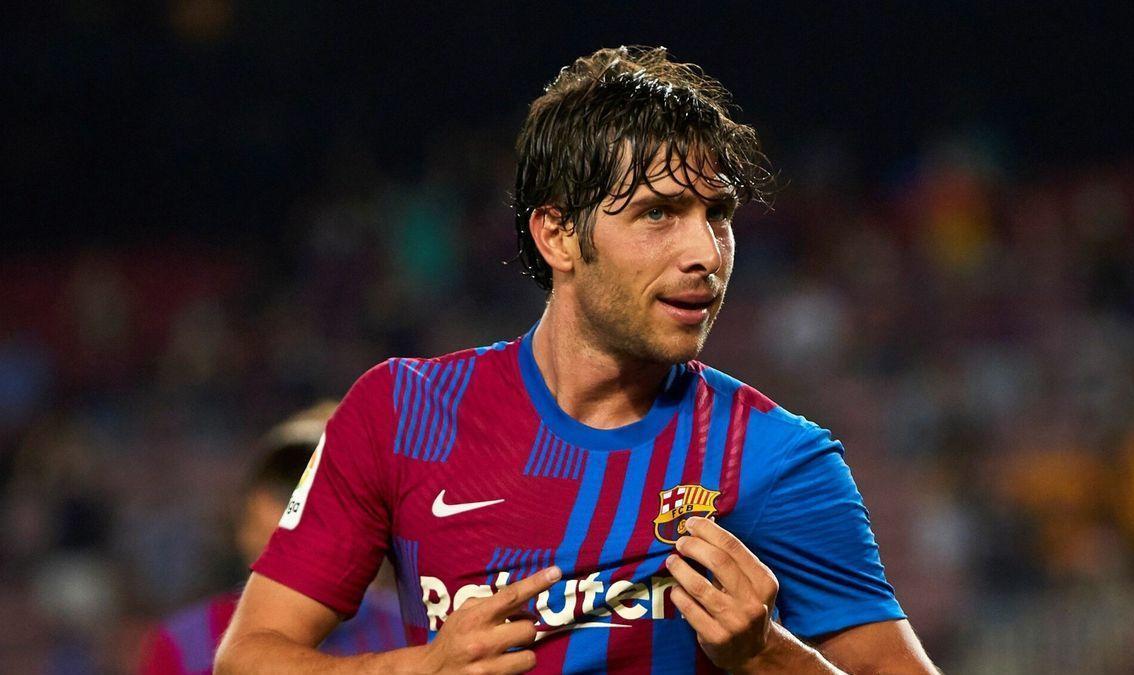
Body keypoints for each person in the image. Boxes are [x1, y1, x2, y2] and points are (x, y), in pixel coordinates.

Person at [216, 46, 939, 674]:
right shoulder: (401, 413)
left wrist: (769, 656)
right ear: (557, 235)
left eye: (717, 215)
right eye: (659, 212)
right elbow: (250, 656)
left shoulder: (778, 459)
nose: (705, 254)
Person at [139, 403, 406, 674]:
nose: (296, 503)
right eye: (283, 487)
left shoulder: (412, 634)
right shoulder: (185, 644)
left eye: (321, 484)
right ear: (244, 525)